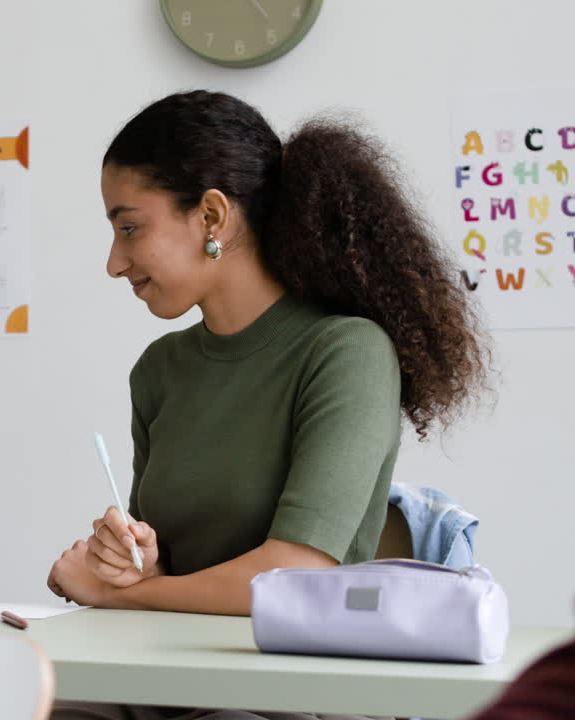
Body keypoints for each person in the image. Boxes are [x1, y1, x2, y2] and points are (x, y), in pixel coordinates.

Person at [47, 90, 489, 719]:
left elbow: (295, 575)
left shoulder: (346, 352)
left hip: (290, 692)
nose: (115, 262)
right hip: (164, 672)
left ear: (211, 216)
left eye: (129, 228)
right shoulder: (160, 371)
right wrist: (129, 560)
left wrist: (117, 598)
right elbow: (163, 561)